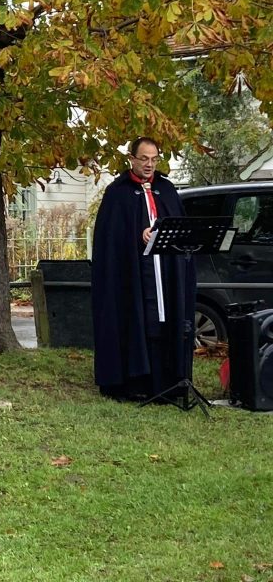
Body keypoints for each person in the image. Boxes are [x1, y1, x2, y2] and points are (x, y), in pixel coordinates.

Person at [91, 137, 196, 401]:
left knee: (167, 319)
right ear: (132, 159)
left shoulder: (167, 189)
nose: (149, 165)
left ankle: (168, 381)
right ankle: (135, 382)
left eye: (154, 159)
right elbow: (110, 238)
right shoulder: (118, 192)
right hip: (133, 274)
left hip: (166, 271)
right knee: (137, 319)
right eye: (144, 159)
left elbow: (181, 229)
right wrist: (138, 236)